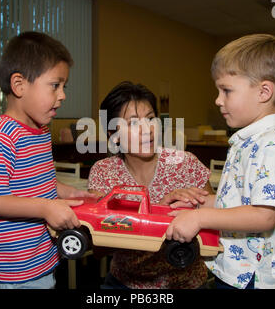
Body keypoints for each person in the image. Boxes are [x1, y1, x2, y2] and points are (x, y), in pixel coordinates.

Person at [166, 34, 275, 289]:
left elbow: (263, 216)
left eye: (226, 90)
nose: (218, 100)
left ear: (264, 92)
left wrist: (200, 219)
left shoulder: (273, 145)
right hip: (234, 269)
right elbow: (243, 202)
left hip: (254, 277)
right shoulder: (249, 140)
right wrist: (204, 203)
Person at [0, 31, 96, 289]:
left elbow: (36, 181)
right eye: (55, 85)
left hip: (41, 261)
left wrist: (68, 192)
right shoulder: (3, 135)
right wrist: (45, 208)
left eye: (64, 87)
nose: (62, 95)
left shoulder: (39, 131)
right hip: (12, 273)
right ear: (19, 85)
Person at [88, 81, 214, 289]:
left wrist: (194, 209)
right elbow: (99, 248)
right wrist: (160, 212)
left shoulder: (186, 163)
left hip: (185, 283)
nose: (147, 130)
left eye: (150, 119)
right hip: (124, 283)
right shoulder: (104, 172)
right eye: (133, 123)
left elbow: (214, 233)